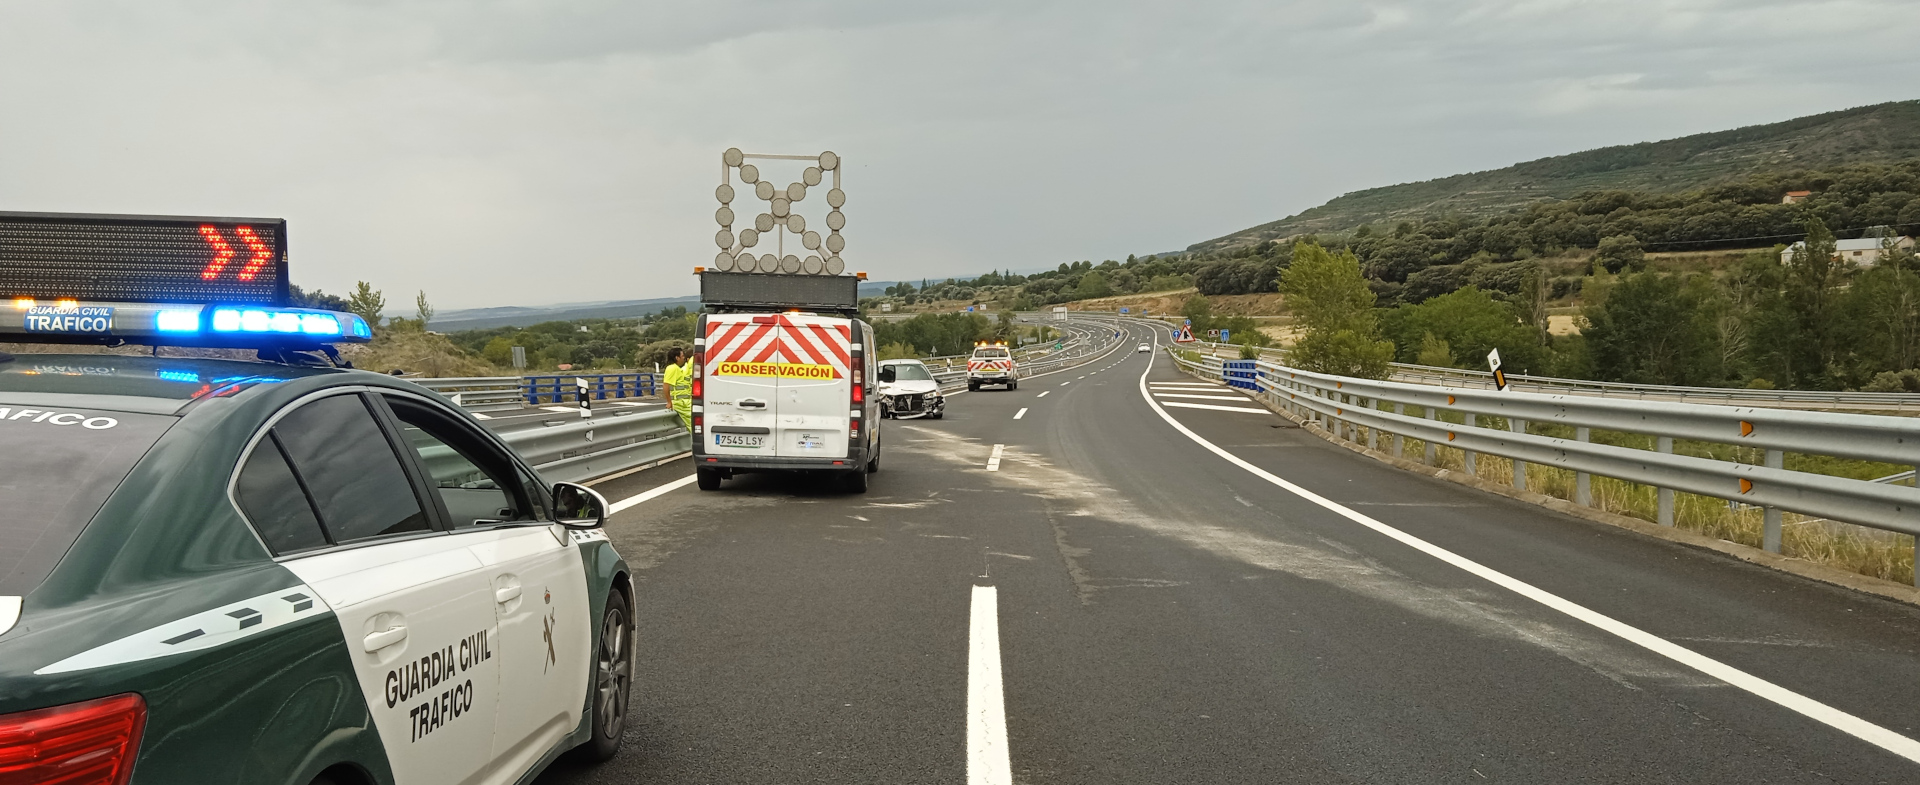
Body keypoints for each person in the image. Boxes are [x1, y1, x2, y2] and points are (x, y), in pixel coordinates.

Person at [662, 346, 693, 430]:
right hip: (681, 403)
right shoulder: (672, 368)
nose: (684, 358)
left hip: (684, 402)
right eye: (682, 356)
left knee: (695, 425)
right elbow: (666, 385)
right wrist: (669, 402)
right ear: (677, 357)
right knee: (694, 425)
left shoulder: (677, 369)